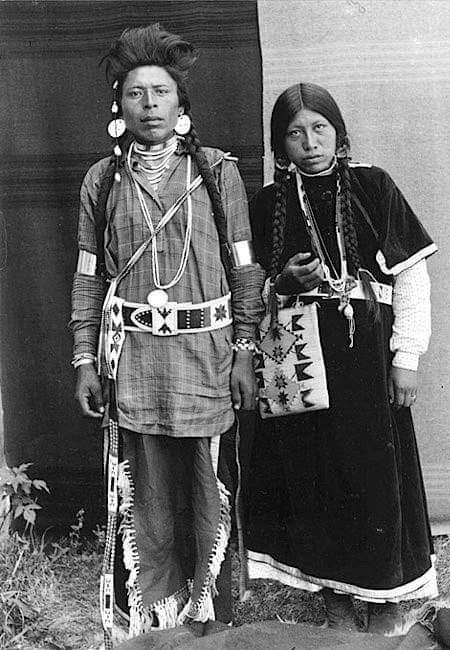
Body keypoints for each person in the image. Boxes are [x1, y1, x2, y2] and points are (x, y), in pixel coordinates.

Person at [69, 24, 265, 643]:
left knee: (205, 478)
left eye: (161, 92)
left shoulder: (216, 173)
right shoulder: (101, 181)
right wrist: (82, 359)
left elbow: (246, 271)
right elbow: (87, 277)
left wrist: (244, 352)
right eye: (135, 93)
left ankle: (208, 610)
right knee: (145, 479)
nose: (150, 104)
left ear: (182, 105)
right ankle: (153, 614)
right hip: (133, 358)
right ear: (117, 106)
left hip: (207, 352)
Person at [245, 83, 438, 635]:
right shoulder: (267, 205)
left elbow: (412, 277)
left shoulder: (373, 185)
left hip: (367, 358)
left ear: (339, 131)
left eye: (320, 128)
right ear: (280, 146)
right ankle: (333, 590)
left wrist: (406, 357)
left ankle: (385, 597)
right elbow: (250, 294)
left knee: (374, 472)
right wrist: (282, 283)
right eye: (295, 132)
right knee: (314, 473)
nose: (309, 142)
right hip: (301, 357)